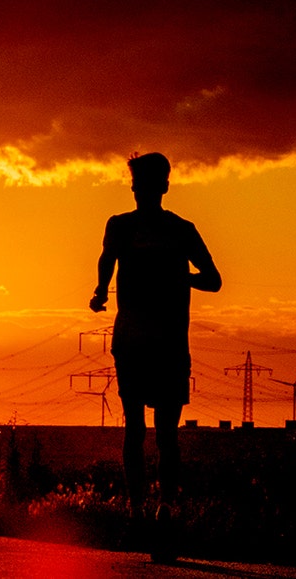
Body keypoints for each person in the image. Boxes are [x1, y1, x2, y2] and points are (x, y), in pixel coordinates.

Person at [88, 152, 221, 561]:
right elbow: (212, 280)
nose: (137, 189)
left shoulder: (144, 228)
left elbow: (213, 280)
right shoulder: (174, 230)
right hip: (153, 343)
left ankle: (146, 509)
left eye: (140, 183)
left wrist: (99, 291)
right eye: (137, 184)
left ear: (158, 186)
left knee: (143, 431)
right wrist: (100, 289)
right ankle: (153, 507)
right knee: (160, 434)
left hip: (147, 343)